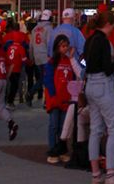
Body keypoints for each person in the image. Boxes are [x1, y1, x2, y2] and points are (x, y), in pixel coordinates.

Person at [83, 9, 114, 184]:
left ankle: (95, 174)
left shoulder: (90, 40)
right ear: (108, 25)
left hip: (90, 85)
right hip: (103, 84)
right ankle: (111, 174)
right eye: (113, 26)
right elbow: (108, 69)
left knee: (95, 130)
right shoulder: (104, 42)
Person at [44, 34, 81, 164]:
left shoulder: (69, 61)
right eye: (63, 46)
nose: (65, 48)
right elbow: (47, 79)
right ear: (57, 47)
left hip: (67, 98)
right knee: (54, 125)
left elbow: (76, 75)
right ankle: (53, 149)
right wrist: (53, 95)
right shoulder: (52, 62)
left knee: (63, 127)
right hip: (55, 98)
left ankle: (62, 150)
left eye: (67, 46)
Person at [27, 8, 54, 104]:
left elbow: (31, 45)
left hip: (37, 56)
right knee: (46, 78)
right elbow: (49, 44)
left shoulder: (34, 29)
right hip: (46, 57)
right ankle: (36, 95)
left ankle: (34, 94)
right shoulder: (49, 29)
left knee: (43, 78)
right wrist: (51, 56)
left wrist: (31, 57)